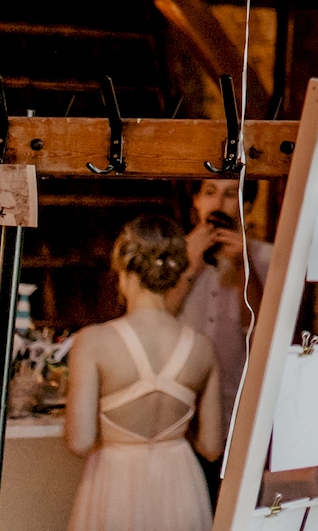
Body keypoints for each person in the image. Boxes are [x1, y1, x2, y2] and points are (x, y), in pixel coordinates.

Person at [64, 214, 224, 531]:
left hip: (117, 482)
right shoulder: (203, 348)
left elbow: (80, 441)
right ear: (176, 273)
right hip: (181, 482)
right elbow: (211, 445)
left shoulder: (93, 342)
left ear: (123, 271)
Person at [167, 177, 270, 427]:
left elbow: (263, 328)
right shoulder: (171, 254)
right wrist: (190, 265)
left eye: (230, 194)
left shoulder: (267, 256)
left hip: (240, 393)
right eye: (210, 192)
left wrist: (244, 266)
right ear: (197, 201)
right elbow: (160, 315)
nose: (218, 203)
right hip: (178, 396)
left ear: (245, 205)